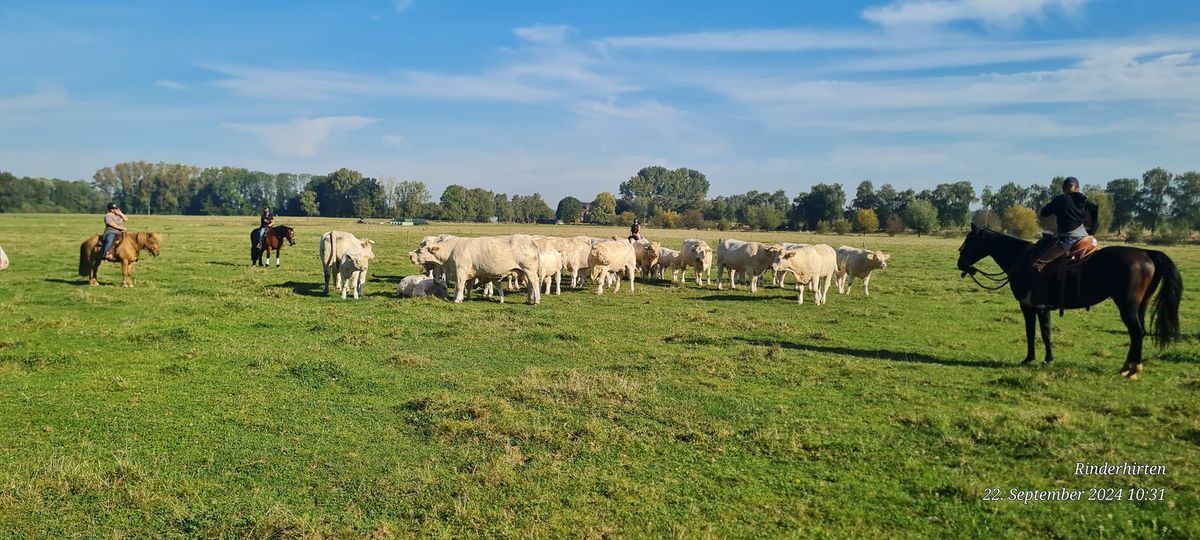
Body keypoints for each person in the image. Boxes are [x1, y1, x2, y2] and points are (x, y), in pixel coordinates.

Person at [1025, 176, 1098, 309]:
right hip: (1086, 239)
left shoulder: (1061, 199)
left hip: (1067, 240)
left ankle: (1042, 300)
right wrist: (1092, 231)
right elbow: (1095, 212)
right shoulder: (1085, 201)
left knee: (1038, 265)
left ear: (1064, 189)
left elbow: (1044, 213)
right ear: (1078, 188)